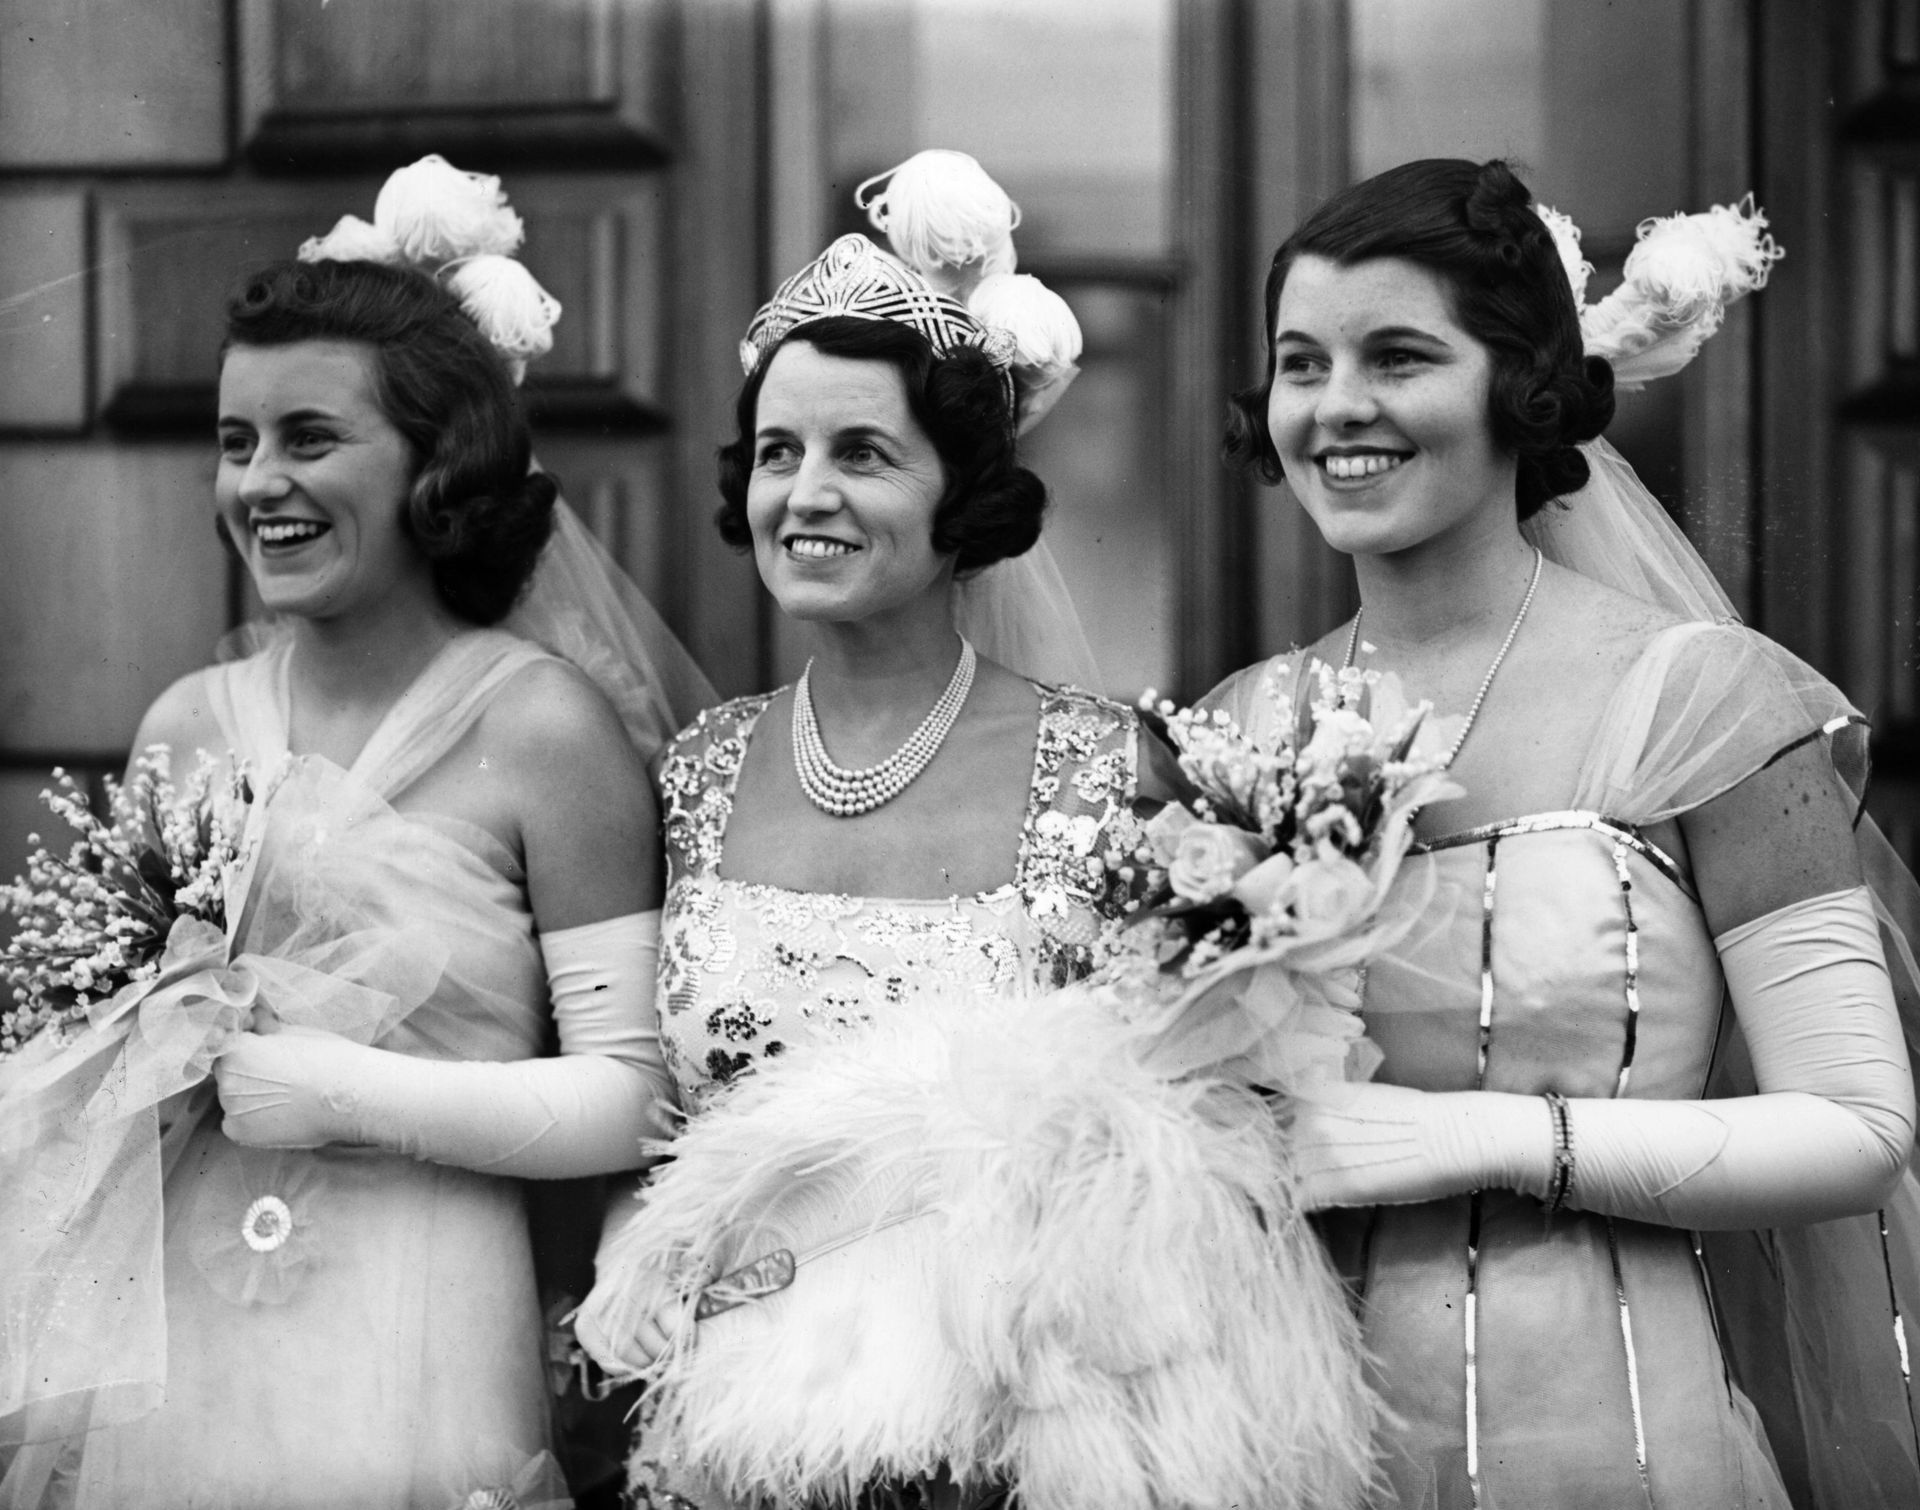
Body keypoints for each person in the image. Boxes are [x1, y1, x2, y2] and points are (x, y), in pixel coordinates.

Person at [1207, 156, 1920, 1508]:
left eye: (1398, 354)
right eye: (1301, 363)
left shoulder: (1704, 696)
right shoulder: (1242, 728)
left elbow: (1857, 1123)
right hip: (1295, 1452)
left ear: (1518, 382)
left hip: (1629, 1455)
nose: (1337, 407)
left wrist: (1482, 1137)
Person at [0, 159, 712, 1509]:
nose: (260, 482)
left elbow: (640, 1094)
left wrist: (345, 1094)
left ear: (439, 463)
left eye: (310, 437)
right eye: (235, 443)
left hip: (421, 1334)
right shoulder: (186, 727)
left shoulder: (547, 732)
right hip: (186, 1362)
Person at [573, 155, 1173, 1507]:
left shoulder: (1101, 769)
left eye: (863, 452)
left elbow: (1152, 1158)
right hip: (721, 1433)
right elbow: (671, 1130)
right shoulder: (700, 768)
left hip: (1009, 1429)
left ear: (960, 493)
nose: (807, 494)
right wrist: (631, 1255)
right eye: (779, 453)